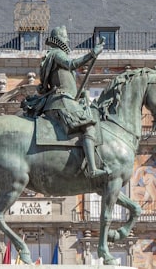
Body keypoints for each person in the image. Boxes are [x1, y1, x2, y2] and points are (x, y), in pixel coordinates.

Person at [23, 25, 105, 178]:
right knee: (88, 127)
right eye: (66, 37)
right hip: (61, 101)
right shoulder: (57, 54)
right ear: (60, 39)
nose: (68, 40)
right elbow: (71, 64)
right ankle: (93, 169)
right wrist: (92, 53)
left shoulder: (52, 56)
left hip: (62, 100)